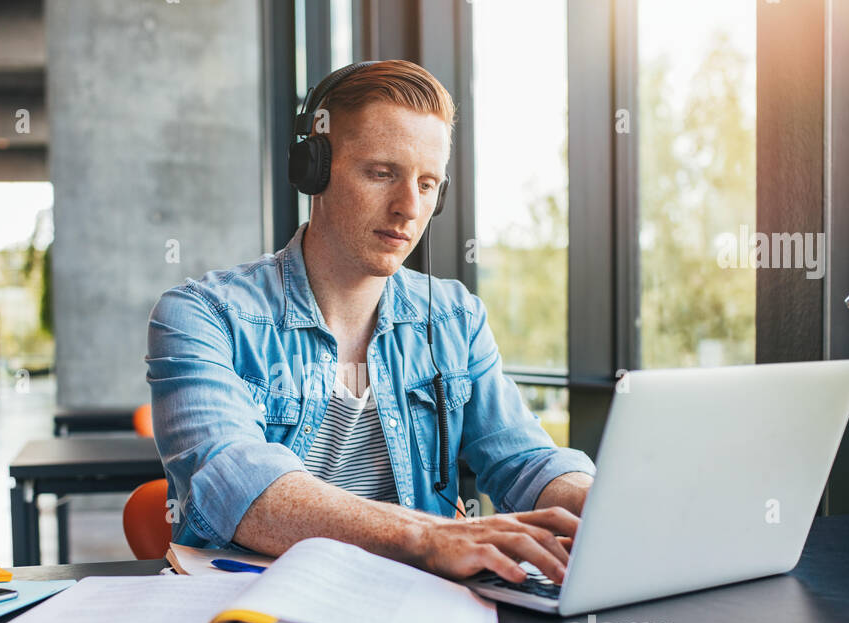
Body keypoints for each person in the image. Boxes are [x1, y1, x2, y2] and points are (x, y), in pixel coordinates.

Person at [146, 60, 595, 585]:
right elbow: (236, 485)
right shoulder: (202, 315)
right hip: (252, 616)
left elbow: (524, 461)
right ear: (313, 170)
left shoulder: (455, 318)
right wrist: (426, 538)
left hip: (410, 608)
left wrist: (603, 507)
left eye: (428, 184)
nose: (409, 207)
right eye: (381, 173)